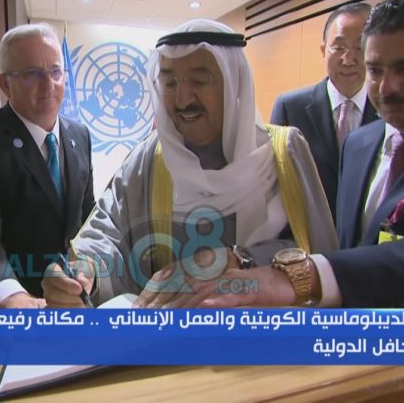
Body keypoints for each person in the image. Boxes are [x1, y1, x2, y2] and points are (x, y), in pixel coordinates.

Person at [133, 0, 404, 403]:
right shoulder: (361, 144)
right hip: (355, 372)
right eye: (375, 69)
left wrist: (296, 278)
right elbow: (341, 246)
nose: (387, 87)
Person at [41, 19, 338, 308]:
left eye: (199, 80)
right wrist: (86, 272)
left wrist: (239, 258)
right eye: (170, 83)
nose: (182, 99)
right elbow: (108, 233)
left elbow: (319, 258)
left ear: (234, 83)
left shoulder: (283, 152)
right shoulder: (150, 157)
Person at [0, 23, 95, 308]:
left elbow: (88, 215)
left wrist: (89, 266)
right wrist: (10, 296)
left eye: (55, 71)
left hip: (75, 302)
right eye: (32, 73)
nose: (48, 84)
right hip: (19, 311)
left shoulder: (80, 135)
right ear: (4, 84)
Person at [271, 2, 378, 220]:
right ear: (323, 51)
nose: (348, 60)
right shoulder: (289, 107)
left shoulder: (389, 111)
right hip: (305, 233)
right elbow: (274, 183)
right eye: (339, 48)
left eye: (360, 47)